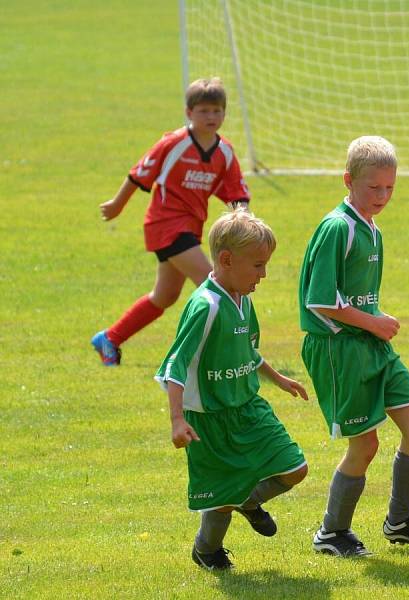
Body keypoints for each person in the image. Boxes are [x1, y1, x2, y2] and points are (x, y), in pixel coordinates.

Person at [298, 136, 409, 557]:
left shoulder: (372, 229)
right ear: (348, 180)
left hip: (370, 342)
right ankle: (332, 532)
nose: (382, 196)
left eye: (389, 188)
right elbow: (320, 299)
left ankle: (400, 521)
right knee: (365, 445)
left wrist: (376, 321)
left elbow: (357, 297)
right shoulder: (337, 228)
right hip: (339, 348)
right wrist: (374, 323)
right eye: (373, 188)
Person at [155, 209, 308, 570]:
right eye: (258, 265)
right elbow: (175, 365)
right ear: (226, 260)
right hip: (210, 419)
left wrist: (279, 379)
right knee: (221, 499)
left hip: (248, 407)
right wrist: (177, 419)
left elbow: (247, 352)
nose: (264, 274)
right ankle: (206, 549)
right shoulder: (205, 307)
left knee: (295, 468)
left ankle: (248, 501)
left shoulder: (243, 299)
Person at [92, 77, 250, 366]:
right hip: (164, 224)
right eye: (203, 111)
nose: (211, 117)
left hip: (190, 228)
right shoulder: (174, 143)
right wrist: (117, 205)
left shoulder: (224, 152)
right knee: (215, 282)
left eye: (217, 111)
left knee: (164, 297)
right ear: (189, 113)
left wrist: (244, 219)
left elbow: (237, 193)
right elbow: (139, 174)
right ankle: (218, 353)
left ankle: (110, 338)